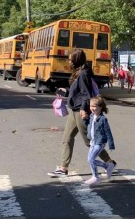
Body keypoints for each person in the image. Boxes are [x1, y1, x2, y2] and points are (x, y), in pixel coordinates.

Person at [48, 49, 117, 177]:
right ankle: (63, 168)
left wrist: (83, 109)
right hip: (74, 111)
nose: (69, 61)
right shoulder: (79, 73)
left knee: (90, 141)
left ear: (76, 60)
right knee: (67, 138)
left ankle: (109, 162)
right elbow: (78, 92)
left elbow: (87, 94)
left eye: (70, 59)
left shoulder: (84, 74)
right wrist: (67, 92)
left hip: (81, 112)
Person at [85, 97, 116, 185]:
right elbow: (90, 127)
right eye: (91, 106)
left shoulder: (103, 119)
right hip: (93, 142)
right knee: (89, 160)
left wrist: (111, 145)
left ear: (100, 107)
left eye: (94, 106)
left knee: (91, 159)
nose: (92, 108)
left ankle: (95, 177)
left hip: (100, 142)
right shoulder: (91, 116)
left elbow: (108, 132)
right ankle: (107, 166)